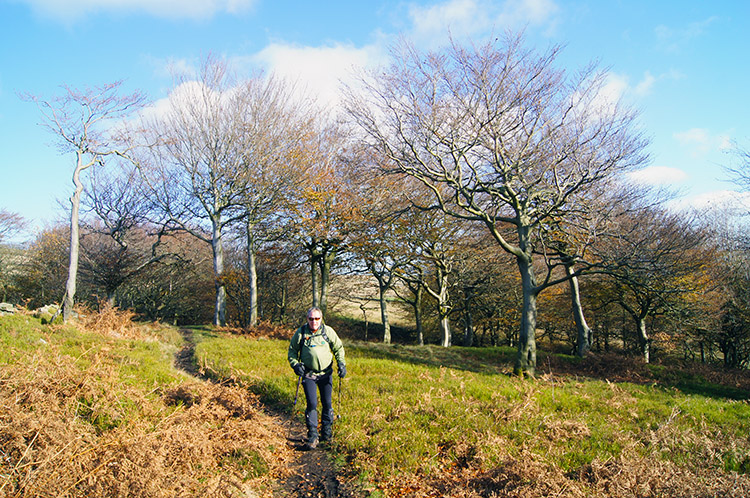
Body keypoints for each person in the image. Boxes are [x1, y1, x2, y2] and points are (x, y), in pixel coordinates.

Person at [288, 307, 346, 450]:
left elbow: (338, 347)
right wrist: (295, 366)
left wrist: (341, 364)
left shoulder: (328, 332)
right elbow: (292, 351)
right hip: (308, 375)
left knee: (327, 403)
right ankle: (313, 436)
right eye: (311, 319)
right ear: (307, 319)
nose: (314, 321)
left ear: (321, 319)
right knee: (312, 404)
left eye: (317, 318)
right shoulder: (301, 333)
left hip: (326, 374)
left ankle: (327, 436)